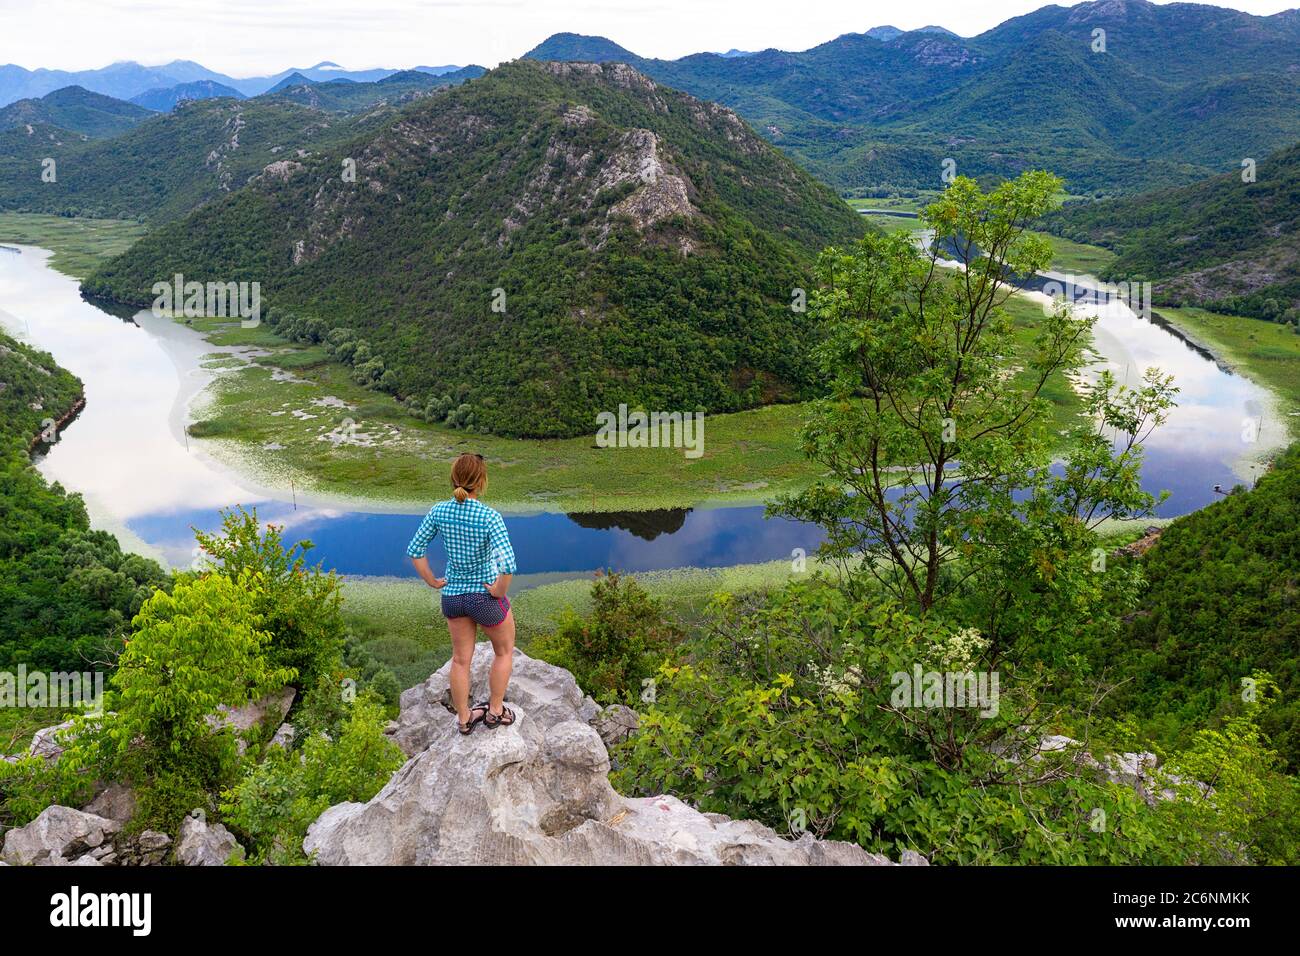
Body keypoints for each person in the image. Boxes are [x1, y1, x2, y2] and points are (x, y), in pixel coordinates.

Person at [406, 453, 518, 734]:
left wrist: (432, 580)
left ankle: (464, 719)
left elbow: (415, 550)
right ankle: (495, 711)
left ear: (454, 479)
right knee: (503, 652)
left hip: (453, 596)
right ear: (480, 482)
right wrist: (498, 591)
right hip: (485, 596)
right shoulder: (490, 516)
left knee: (460, 660)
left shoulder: (439, 511)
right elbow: (508, 565)